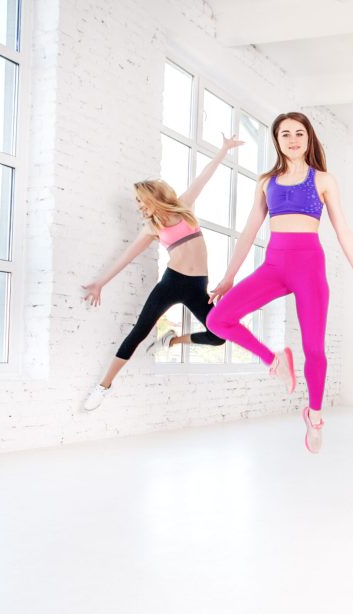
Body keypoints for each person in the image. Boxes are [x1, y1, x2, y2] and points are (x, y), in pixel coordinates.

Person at [206, 112, 353, 453]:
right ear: (277, 140)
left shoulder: (324, 180)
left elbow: (343, 230)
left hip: (309, 268)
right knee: (217, 319)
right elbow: (248, 234)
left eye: (298, 133)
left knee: (314, 348)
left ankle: (314, 416)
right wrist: (228, 278)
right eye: (285, 134)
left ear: (308, 137)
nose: (292, 139)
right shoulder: (265, 181)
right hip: (274, 266)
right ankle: (274, 360)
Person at [81, 136, 241, 411]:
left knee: (218, 335)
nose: (139, 205)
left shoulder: (184, 206)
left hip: (197, 286)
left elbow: (204, 177)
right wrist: (100, 283)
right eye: (136, 201)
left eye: (141, 200)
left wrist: (223, 151)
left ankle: (171, 340)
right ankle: (103, 385)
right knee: (140, 331)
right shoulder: (151, 229)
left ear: (154, 196)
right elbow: (126, 257)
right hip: (172, 282)